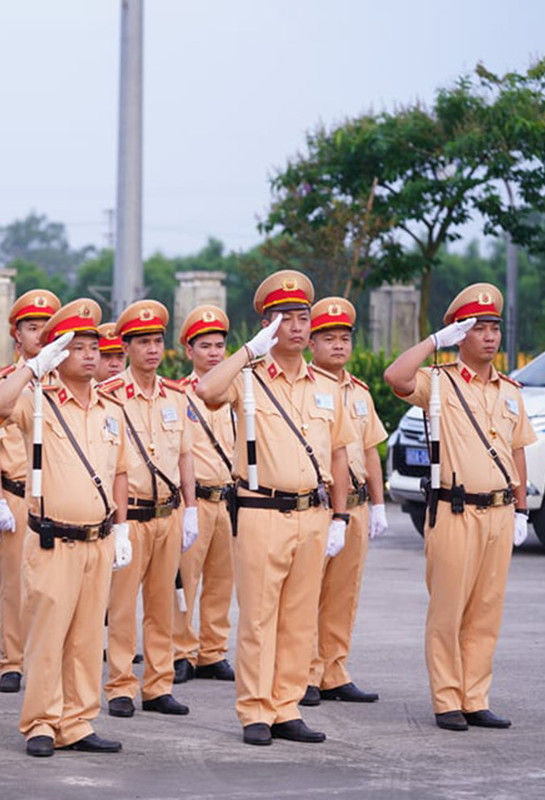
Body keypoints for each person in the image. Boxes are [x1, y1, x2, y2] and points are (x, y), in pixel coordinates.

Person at [195, 270, 353, 747]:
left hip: (313, 512)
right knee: (260, 617)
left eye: (303, 317)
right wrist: (249, 349)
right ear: (268, 325)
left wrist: (341, 516)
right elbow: (207, 391)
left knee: (300, 617)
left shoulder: (324, 385)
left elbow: (341, 451)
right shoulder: (246, 379)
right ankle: (255, 710)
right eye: (286, 318)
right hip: (261, 510)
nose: (298, 327)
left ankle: (286, 706)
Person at [383, 282, 534, 732]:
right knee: (448, 610)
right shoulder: (439, 382)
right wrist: (433, 342)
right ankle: (447, 699)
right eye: (478, 329)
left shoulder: (510, 389)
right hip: (454, 510)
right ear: (460, 334)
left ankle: (475, 696)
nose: (489, 337)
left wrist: (522, 508)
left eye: (494, 328)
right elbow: (395, 377)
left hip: (500, 511)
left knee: (486, 610)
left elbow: (518, 450)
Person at [0, 298, 134, 757]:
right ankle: (41, 723)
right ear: (58, 353)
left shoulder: (111, 407)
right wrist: (33, 368)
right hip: (54, 538)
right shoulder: (38, 402)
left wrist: (123, 527)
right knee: (49, 636)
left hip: (98, 537)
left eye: (94, 346)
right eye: (77, 347)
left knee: (88, 638)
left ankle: (78, 720)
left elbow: (121, 472)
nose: (90, 355)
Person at [102, 300, 199, 719]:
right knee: (122, 608)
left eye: (158, 341)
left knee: (163, 605)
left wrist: (191, 508)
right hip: (130, 517)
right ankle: (121, 684)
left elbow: (185, 458)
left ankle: (159, 684)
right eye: (144, 342)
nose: (153, 350)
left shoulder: (176, 397)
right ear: (127, 348)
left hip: (168, 514)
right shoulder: (110, 397)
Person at [301, 298, 388, 707]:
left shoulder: (359, 392)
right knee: (308, 593)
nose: (338, 346)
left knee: (343, 593)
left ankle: (335, 669)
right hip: (318, 506)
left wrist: (379, 502)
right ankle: (304, 673)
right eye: (329, 338)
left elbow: (370, 451)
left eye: (345, 339)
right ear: (311, 343)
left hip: (355, 505)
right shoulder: (303, 388)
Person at [0, 290, 61, 694]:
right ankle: (12, 661)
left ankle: (46, 658)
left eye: (47, 329)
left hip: (57, 497)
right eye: (33, 328)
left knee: (52, 588)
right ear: (17, 335)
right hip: (17, 494)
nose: (41, 336)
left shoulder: (64, 383)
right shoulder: (6, 384)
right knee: (14, 585)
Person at [172, 305, 237, 683]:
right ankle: (181, 651)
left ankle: (213, 651)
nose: (213, 353)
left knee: (221, 580)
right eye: (205, 346)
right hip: (192, 501)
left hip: (227, 500)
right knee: (184, 581)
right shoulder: (179, 395)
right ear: (189, 351)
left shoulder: (234, 395)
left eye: (219, 346)